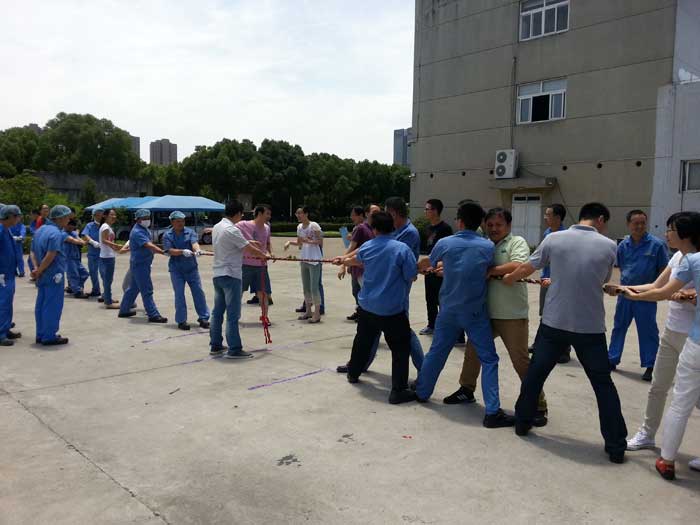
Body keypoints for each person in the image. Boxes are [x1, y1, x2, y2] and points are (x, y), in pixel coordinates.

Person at [503, 202, 628, 463]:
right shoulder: (609, 246)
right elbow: (604, 280)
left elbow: (528, 267)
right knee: (603, 385)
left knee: (535, 375)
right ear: (600, 219)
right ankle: (616, 445)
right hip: (590, 328)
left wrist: (508, 279)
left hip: (554, 324)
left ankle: (522, 422)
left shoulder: (554, 239)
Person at [443, 208, 549, 425]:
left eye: (498, 225)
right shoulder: (484, 244)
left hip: (511, 315)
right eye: (490, 225)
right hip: (484, 313)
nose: (493, 229)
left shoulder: (517, 242)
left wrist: (492, 271)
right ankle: (466, 389)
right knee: (472, 352)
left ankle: (538, 405)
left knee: (520, 361)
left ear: (508, 226)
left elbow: (519, 265)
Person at [414, 200, 514, 428]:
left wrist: (416, 268)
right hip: (475, 312)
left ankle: (422, 392)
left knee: (437, 352)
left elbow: (429, 262)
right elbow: (485, 269)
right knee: (489, 359)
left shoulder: (444, 242)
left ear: (459, 221)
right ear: (480, 223)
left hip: (448, 310)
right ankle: (492, 412)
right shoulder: (487, 246)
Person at [621, 213, 700, 470]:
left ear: (686, 233)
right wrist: (626, 289)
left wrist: (633, 296)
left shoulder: (695, 260)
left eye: (671, 229)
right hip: (671, 332)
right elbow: (656, 285)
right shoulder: (677, 258)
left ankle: (667, 456)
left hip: (692, 338)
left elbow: (661, 293)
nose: (666, 234)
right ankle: (647, 433)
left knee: (690, 398)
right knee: (658, 386)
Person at [338, 211, 418, 404]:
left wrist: (343, 260)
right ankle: (398, 390)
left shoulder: (367, 246)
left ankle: (353, 373)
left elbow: (357, 260)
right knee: (400, 348)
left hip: (367, 306)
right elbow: (412, 276)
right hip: (391, 310)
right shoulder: (402, 249)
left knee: (362, 341)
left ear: (374, 229)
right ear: (392, 227)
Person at [608, 210, 669, 381]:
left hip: (646, 295)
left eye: (643, 223)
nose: (640, 226)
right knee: (619, 326)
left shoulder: (656, 245)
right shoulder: (623, 245)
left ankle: (650, 365)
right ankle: (612, 359)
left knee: (647, 330)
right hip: (625, 294)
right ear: (628, 224)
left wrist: (657, 290)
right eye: (636, 223)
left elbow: (663, 270)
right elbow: (621, 267)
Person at [209, 200, 270, 359]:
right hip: (231, 275)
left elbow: (235, 242)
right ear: (237, 213)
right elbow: (247, 249)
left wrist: (249, 242)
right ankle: (234, 349)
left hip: (218, 274)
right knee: (233, 314)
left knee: (217, 312)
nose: (241, 217)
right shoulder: (232, 229)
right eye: (241, 214)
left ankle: (215, 345)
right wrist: (263, 255)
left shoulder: (218, 227)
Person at [532, 204, 569, 362]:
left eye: (548, 215)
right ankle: (538, 344)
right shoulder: (547, 233)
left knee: (562, 316)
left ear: (558, 218)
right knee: (545, 314)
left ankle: (565, 351)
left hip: (560, 282)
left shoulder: (566, 236)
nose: (545, 218)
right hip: (545, 280)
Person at [31, 205, 73, 345]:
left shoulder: (40, 230)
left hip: (42, 274)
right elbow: (51, 254)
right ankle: (49, 336)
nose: (68, 220)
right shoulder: (56, 234)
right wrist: (40, 270)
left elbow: (32, 252)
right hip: (53, 274)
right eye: (67, 218)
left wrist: (36, 269)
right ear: (60, 218)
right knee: (52, 305)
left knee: (41, 303)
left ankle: (41, 333)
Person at [162, 210, 210, 330]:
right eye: (178, 221)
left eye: (182, 221)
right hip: (176, 270)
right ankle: (181, 320)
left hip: (191, 268)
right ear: (172, 222)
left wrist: (197, 250)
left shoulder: (190, 232)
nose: (181, 223)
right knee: (179, 294)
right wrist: (182, 251)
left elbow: (194, 243)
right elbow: (169, 250)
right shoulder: (167, 235)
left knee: (198, 292)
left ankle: (203, 317)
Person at [117, 209, 167, 323]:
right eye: (144, 218)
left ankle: (124, 310)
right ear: (138, 219)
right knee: (147, 289)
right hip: (140, 264)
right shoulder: (137, 232)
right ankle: (153, 314)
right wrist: (163, 251)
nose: (147, 220)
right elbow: (148, 245)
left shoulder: (144, 229)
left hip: (141, 263)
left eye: (148, 218)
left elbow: (150, 244)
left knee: (133, 289)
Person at [284, 206, 323, 324]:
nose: (298, 215)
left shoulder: (314, 225)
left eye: (300, 213)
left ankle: (317, 313)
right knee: (306, 287)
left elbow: (320, 242)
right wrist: (289, 242)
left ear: (306, 214)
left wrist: (309, 241)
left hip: (314, 260)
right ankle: (308, 311)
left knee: (314, 287)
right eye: (297, 213)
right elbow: (299, 242)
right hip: (304, 259)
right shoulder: (299, 227)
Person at [419, 199, 453, 335]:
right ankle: (432, 325)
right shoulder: (427, 228)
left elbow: (448, 252)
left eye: (427, 209)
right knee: (430, 299)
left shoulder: (445, 229)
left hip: (440, 270)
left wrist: (438, 265)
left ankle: (446, 326)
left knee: (442, 301)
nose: (425, 212)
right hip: (429, 270)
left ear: (435, 211)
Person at [337, 205, 374, 321]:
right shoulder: (368, 228)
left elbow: (352, 248)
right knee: (359, 291)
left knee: (359, 291)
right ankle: (360, 311)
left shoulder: (360, 228)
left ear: (362, 215)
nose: (351, 217)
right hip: (362, 265)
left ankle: (363, 313)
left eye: (353, 215)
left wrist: (343, 263)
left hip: (359, 265)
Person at [238, 204, 274, 312]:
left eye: (270, 214)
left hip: (261, 266)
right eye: (267, 214)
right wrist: (213, 229)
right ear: (259, 213)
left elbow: (268, 243)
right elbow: (229, 228)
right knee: (238, 291)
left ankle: (265, 317)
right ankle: (234, 316)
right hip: (245, 265)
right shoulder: (244, 224)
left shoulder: (267, 227)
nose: (269, 216)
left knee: (263, 293)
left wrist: (271, 253)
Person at [1, 205, 23, 346]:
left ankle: (5, 328)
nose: (18, 219)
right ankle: (1, 333)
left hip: (8, 272)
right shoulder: (0, 230)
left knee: (7, 303)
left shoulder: (6, 229)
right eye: (17, 216)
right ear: (9, 216)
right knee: (3, 303)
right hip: (2, 274)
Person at [98, 209, 121, 309]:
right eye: (111, 215)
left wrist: (116, 248)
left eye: (115, 215)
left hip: (107, 256)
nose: (114, 216)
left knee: (107, 280)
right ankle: (108, 302)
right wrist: (116, 245)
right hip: (107, 257)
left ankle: (107, 297)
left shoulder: (107, 226)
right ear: (105, 216)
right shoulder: (105, 227)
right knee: (107, 280)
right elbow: (104, 240)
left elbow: (107, 242)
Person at [64, 219, 90, 299]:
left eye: (73, 227)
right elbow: (73, 241)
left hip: (76, 257)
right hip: (68, 258)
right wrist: (84, 242)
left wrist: (84, 241)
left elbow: (78, 238)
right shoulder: (62, 234)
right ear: (66, 225)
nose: (71, 229)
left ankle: (74, 287)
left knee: (84, 273)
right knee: (73, 275)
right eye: (70, 227)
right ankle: (77, 292)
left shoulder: (73, 233)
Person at [81, 208, 104, 297]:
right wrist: (92, 242)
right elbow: (85, 235)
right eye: (97, 215)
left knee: (104, 273)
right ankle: (96, 290)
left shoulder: (104, 225)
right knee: (93, 272)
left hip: (103, 253)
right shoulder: (90, 225)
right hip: (93, 253)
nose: (99, 216)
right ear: (94, 215)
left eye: (101, 214)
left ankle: (106, 292)